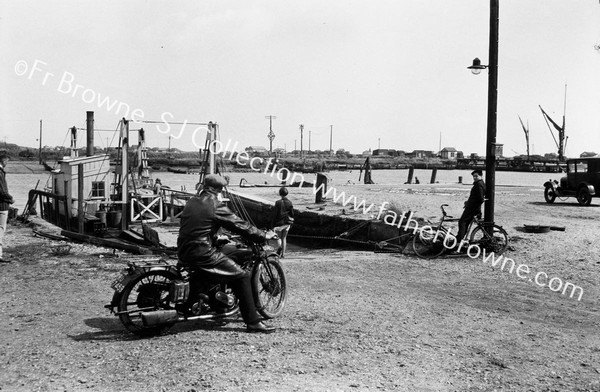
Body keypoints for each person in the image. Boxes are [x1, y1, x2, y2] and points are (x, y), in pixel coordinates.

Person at [177, 174, 276, 333]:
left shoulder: (192, 201)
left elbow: (197, 226)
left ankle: (217, 304)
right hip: (202, 251)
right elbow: (239, 224)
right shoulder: (215, 204)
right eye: (221, 189)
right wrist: (262, 235)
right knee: (241, 276)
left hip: (184, 249)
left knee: (224, 259)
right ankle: (253, 322)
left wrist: (215, 237)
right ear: (217, 190)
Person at [455, 169, 486, 249]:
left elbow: (480, 199)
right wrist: (468, 202)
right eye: (473, 176)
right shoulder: (480, 183)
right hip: (473, 207)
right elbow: (477, 197)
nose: (475, 178)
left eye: (476, 176)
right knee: (465, 222)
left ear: (481, 176)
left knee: (462, 222)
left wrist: (470, 204)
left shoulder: (478, 185)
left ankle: (459, 240)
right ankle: (460, 238)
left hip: (472, 209)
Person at [271, 187, 294, 258]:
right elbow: (292, 214)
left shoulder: (278, 202)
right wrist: (291, 223)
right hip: (287, 223)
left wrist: (272, 224)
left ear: (280, 193)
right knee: (284, 238)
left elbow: (275, 214)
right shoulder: (290, 202)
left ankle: (280, 247)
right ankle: (283, 254)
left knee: (278, 237)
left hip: (279, 223)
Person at [0, 152, 14, 263]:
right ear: (3, 161)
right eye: (7, 161)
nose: (7, 163)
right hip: (2, 205)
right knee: (1, 229)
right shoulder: (0, 173)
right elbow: (2, 191)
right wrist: (11, 199)